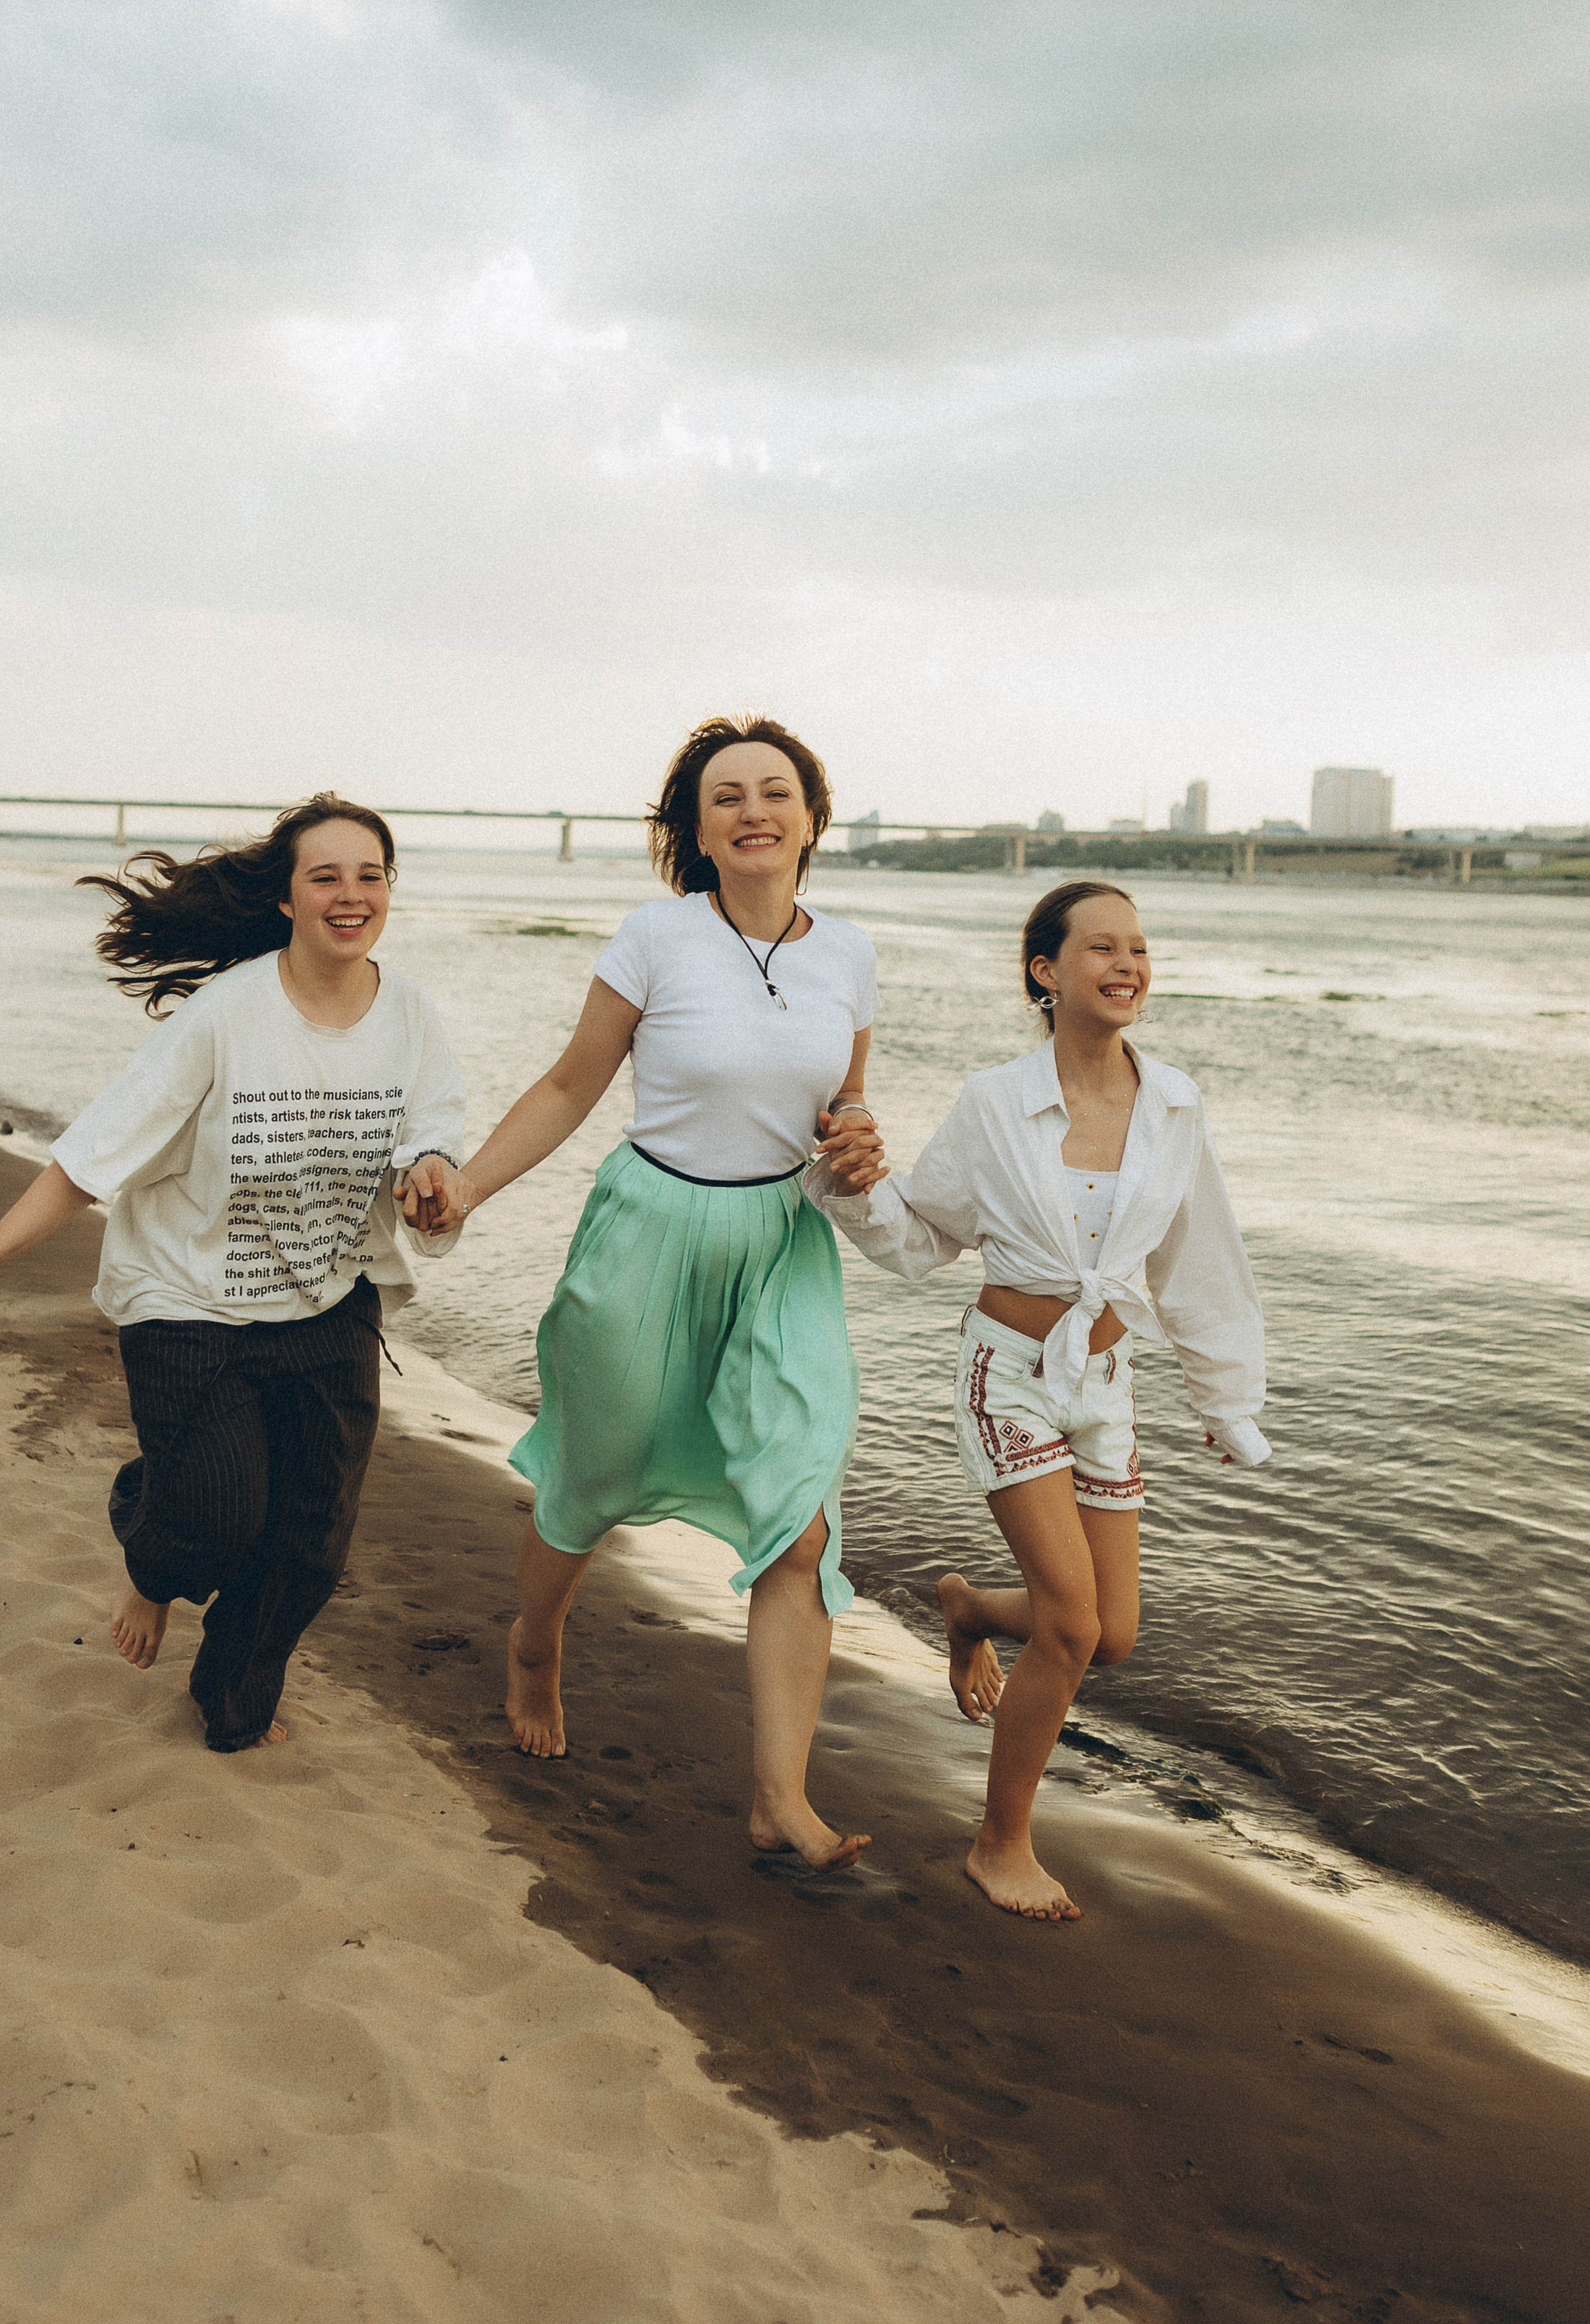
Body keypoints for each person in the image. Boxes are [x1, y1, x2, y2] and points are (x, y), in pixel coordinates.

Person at [0, 796, 465, 1753]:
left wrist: (433, 1178)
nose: (351, 894)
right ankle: (151, 1543)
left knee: (311, 1543)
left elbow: (430, 1135)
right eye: (326, 875)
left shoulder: (410, 1015)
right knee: (213, 1514)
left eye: (371, 875)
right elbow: (97, 1148)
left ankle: (231, 1690)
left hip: (325, 1299)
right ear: (287, 897)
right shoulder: (225, 1015)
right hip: (188, 1297)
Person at [403, 716, 878, 1868]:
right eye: (728, 796)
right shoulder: (656, 938)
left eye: (777, 791)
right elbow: (573, 1084)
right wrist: (466, 1185)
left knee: (799, 1514)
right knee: (593, 1478)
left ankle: (781, 1796)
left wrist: (860, 1145)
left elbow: (844, 1115)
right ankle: (537, 1640)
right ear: (697, 830)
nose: (754, 810)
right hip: (652, 1233)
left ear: (813, 819)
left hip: (782, 1245)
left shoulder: (850, 953)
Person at [810, 880, 1271, 1921]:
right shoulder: (996, 1101)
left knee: (1111, 1636)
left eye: (1140, 948)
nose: (1127, 964)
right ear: (1045, 971)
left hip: (1107, 1382)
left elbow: (1201, 1258)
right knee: (1067, 1621)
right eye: (1101, 947)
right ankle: (1000, 1842)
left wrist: (1224, 1391)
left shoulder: (1178, 1103)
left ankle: (968, 1606)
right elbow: (924, 1234)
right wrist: (848, 1177)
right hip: (1008, 1374)